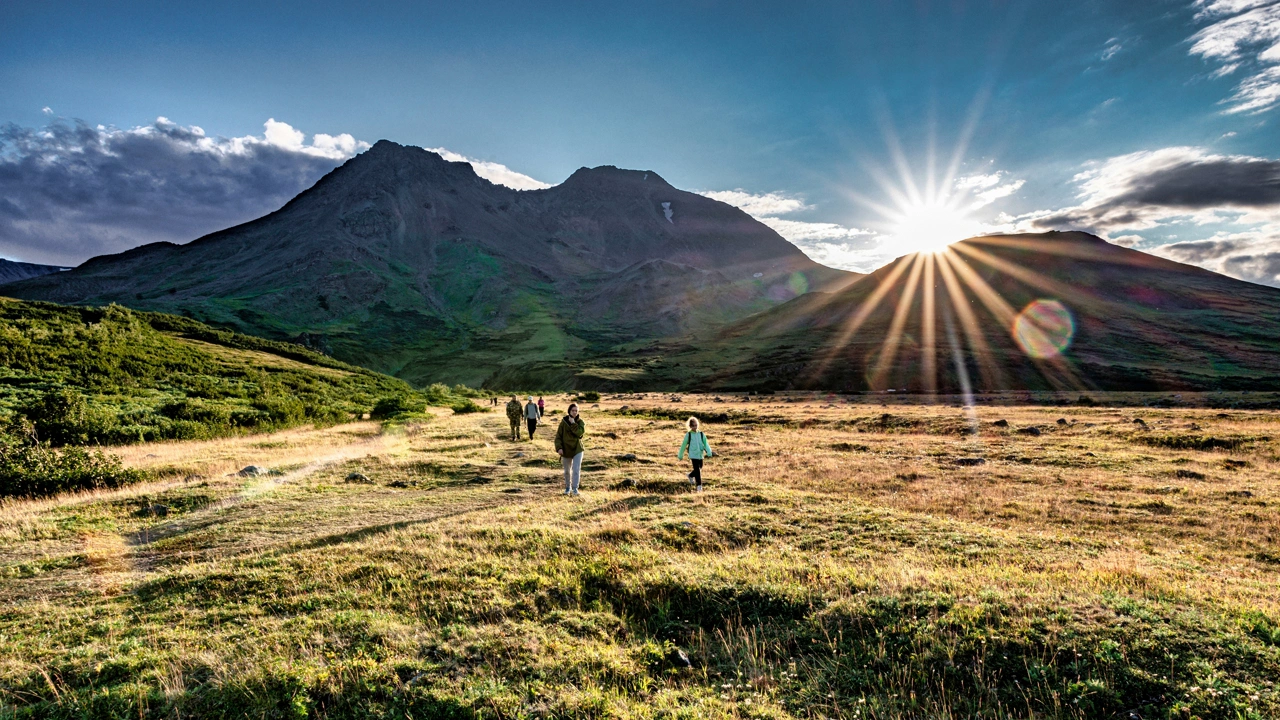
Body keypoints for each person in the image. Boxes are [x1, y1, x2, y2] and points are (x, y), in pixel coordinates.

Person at [554, 402, 586, 495]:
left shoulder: (580, 422)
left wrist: (573, 423)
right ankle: (568, 488)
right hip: (566, 449)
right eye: (573, 410)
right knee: (567, 471)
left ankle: (575, 489)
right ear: (569, 411)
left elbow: (579, 433)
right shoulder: (563, 422)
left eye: (576, 411)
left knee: (576, 469)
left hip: (577, 449)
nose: (574, 412)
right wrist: (559, 448)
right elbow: (558, 436)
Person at [677, 416, 713, 492]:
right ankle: (699, 487)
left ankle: (690, 475)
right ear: (690, 426)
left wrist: (709, 452)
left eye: (696, 425)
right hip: (693, 455)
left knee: (700, 468)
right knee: (697, 471)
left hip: (700, 454)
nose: (695, 427)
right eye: (693, 426)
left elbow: (706, 444)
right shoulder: (688, 435)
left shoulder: (701, 434)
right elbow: (683, 445)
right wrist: (680, 455)